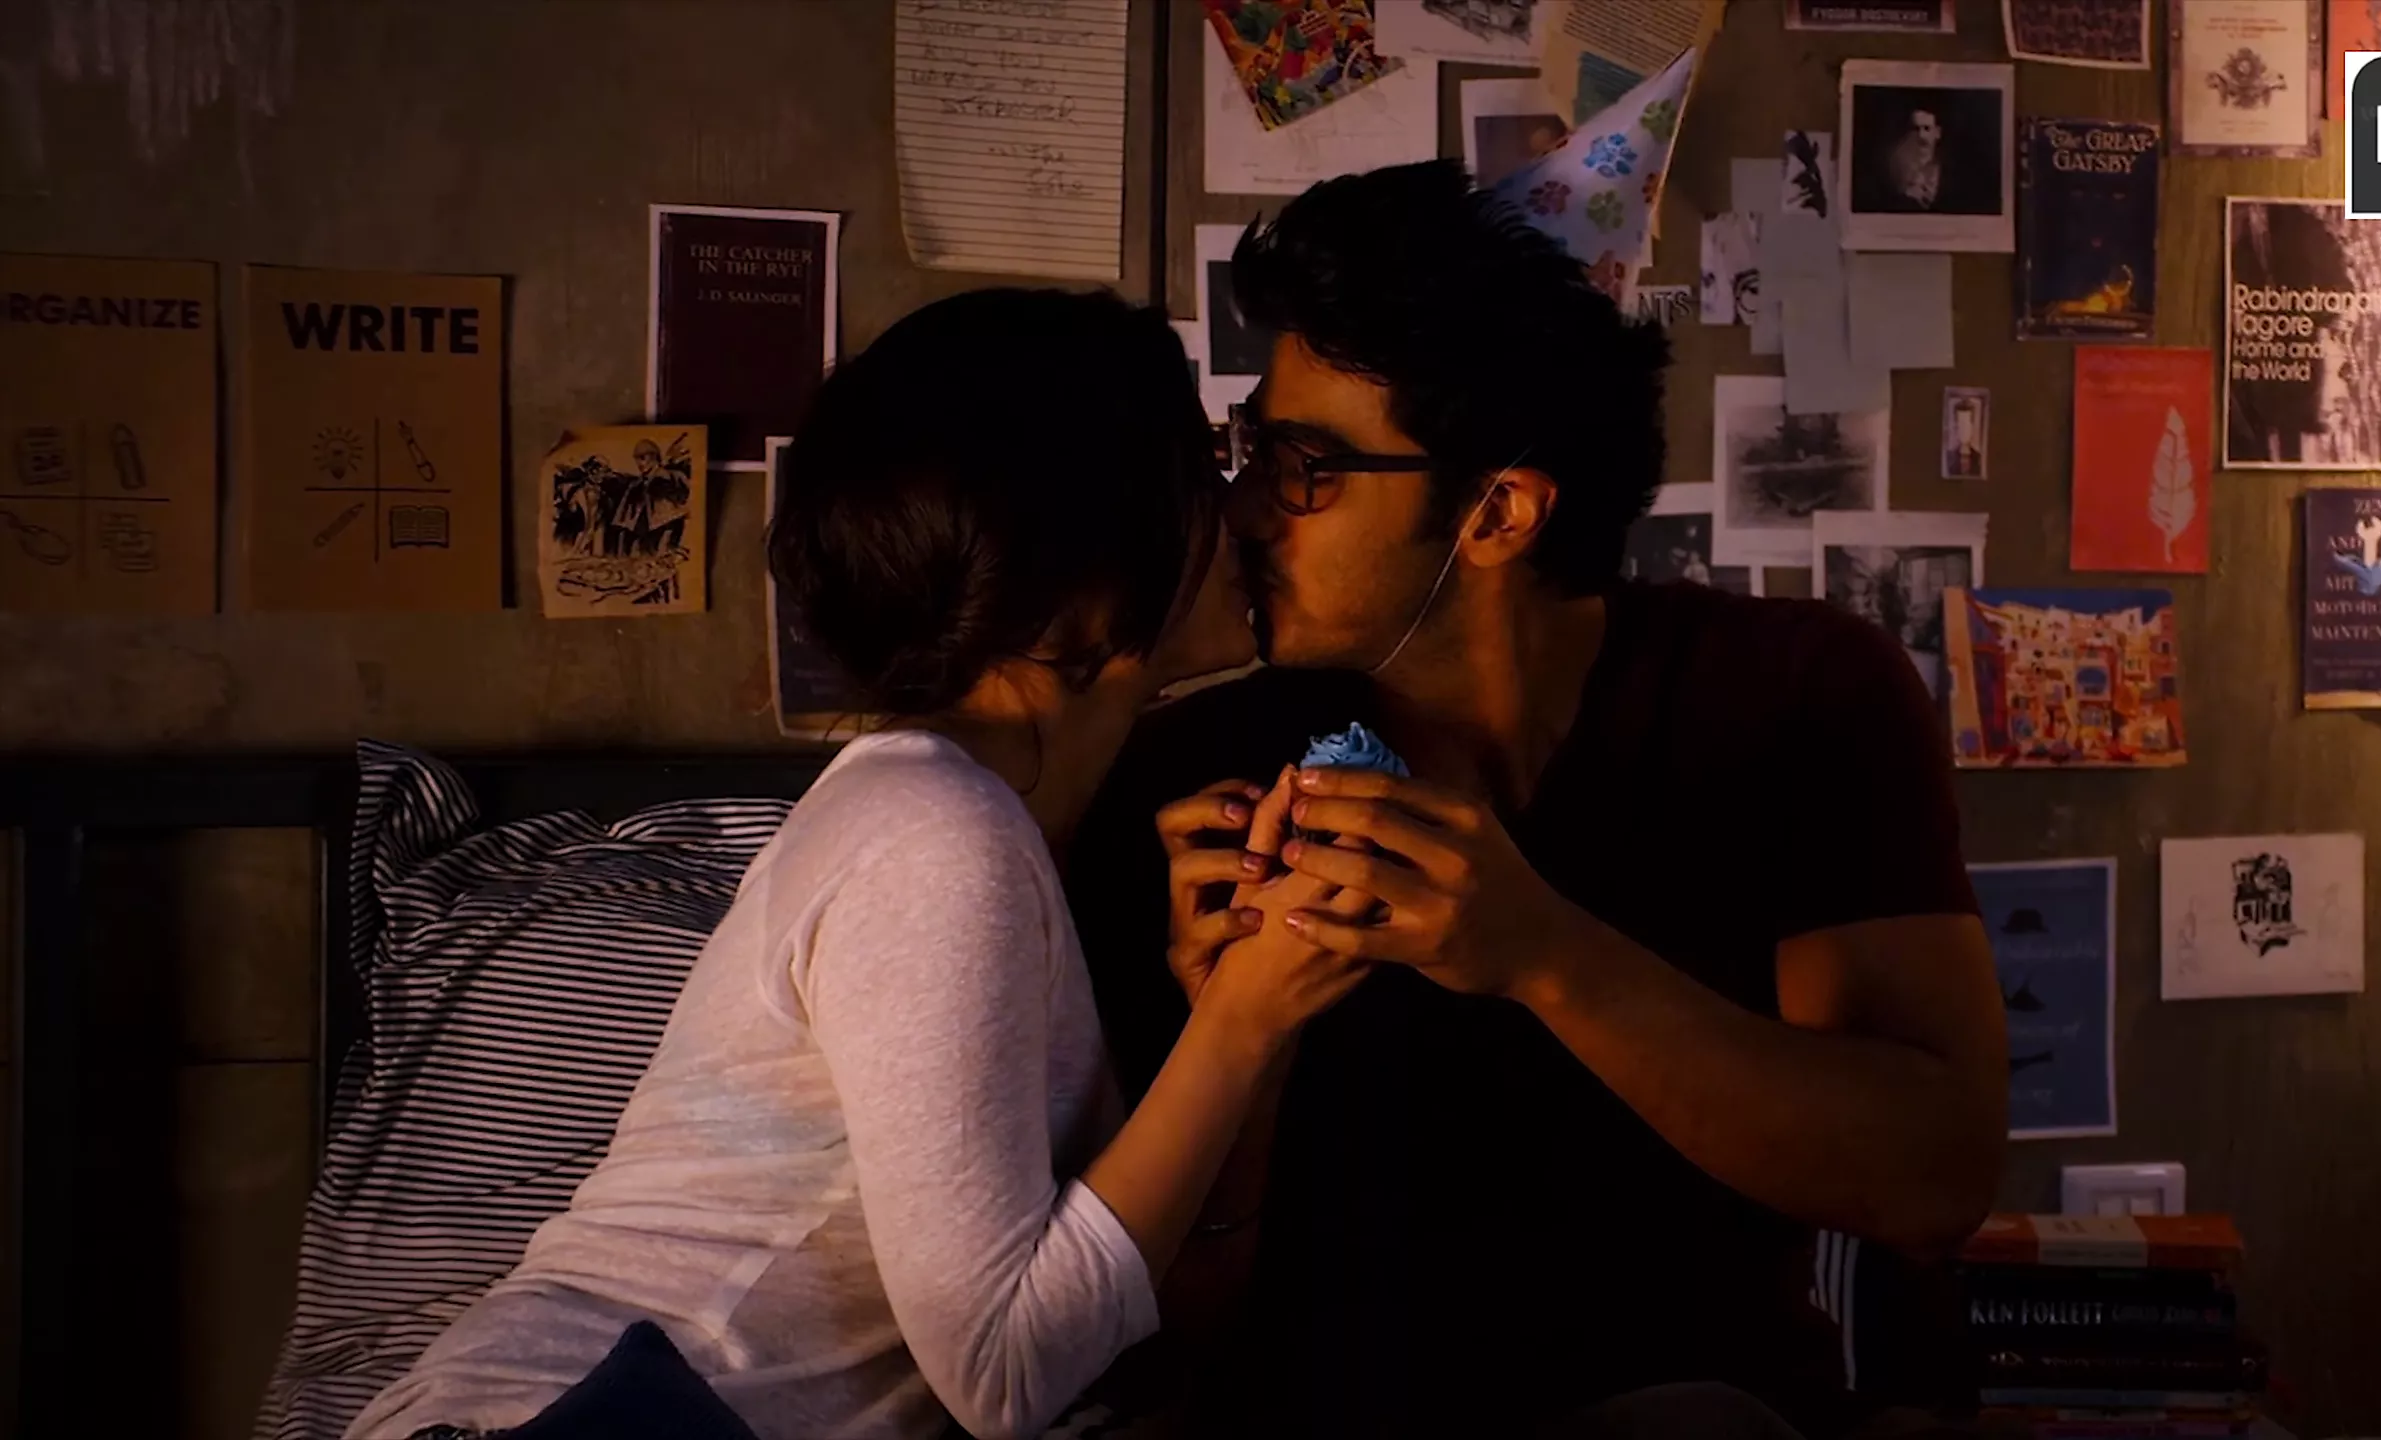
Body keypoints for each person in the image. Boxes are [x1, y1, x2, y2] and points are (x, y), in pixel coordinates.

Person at [1066, 161, 2008, 1440]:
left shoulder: (1791, 697)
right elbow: (1160, 1336)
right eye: (1250, 451)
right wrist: (1236, 1035)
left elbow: (1933, 1181)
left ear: (1497, 512)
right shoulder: (1200, 777)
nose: (1241, 510)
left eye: (1302, 466)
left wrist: (1543, 955)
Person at [348, 288, 1375, 1440]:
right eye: (1198, 473)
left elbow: (1128, 1319)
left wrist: (1233, 1019)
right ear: (1075, 581)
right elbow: (1004, 1372)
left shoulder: (993, 830)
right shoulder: (933, 838)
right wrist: (1238, 1022)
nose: (1239, 513)